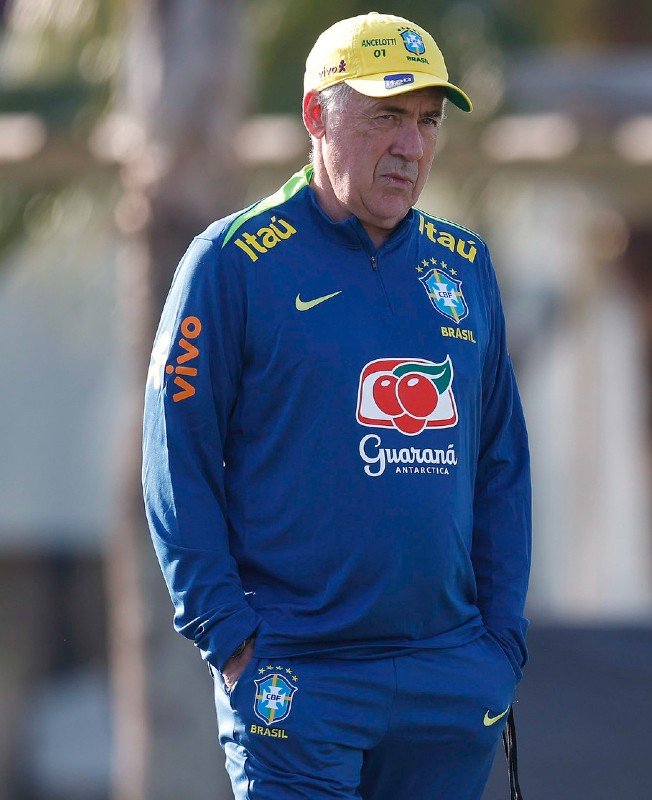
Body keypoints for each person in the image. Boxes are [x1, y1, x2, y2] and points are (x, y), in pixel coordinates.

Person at [142, 12, 530, 800]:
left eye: (427, 122)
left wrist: (500, 648)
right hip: (298, 678)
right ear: (318, 116)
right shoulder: (231, 262)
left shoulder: (465, 266)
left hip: (448, 679)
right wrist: (231, 639)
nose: (412, 146)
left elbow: (501, 466)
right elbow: (173, 460)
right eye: (386, 116)